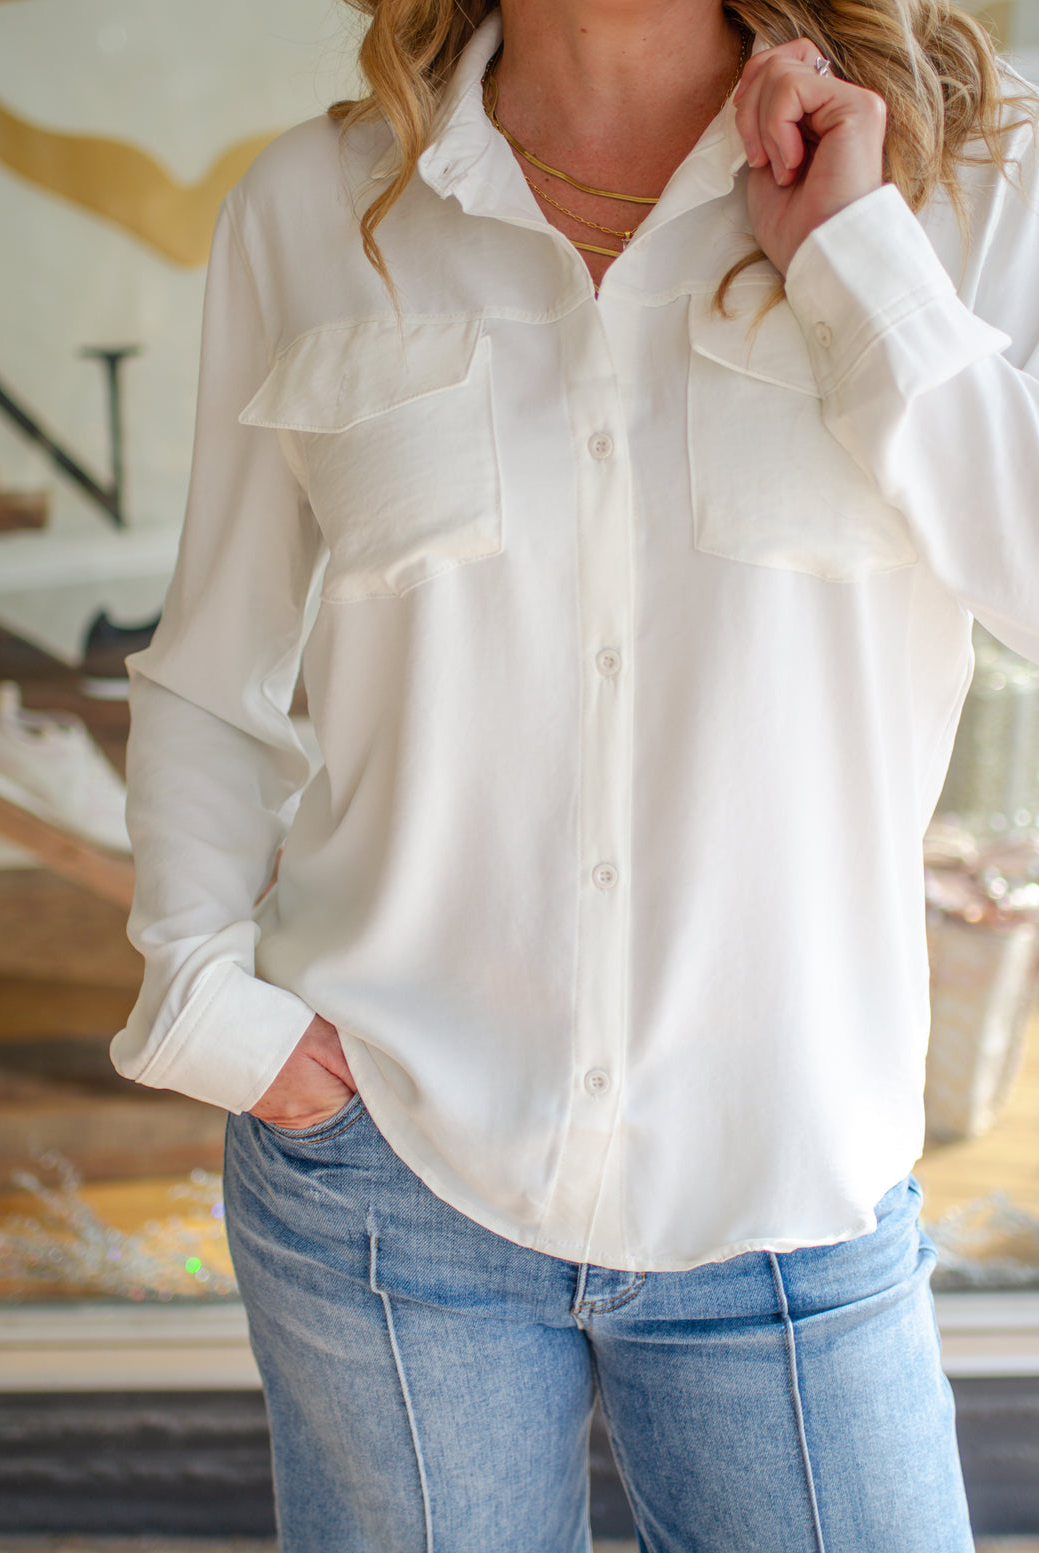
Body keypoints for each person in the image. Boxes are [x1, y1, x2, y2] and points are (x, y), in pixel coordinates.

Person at [112, 0, 1039, 1547]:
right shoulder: (316, 206)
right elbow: (213, 666)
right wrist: (211, 1006)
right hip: (387, 1175)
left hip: (793, 1192)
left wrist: (855, 260)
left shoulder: (967, 180)